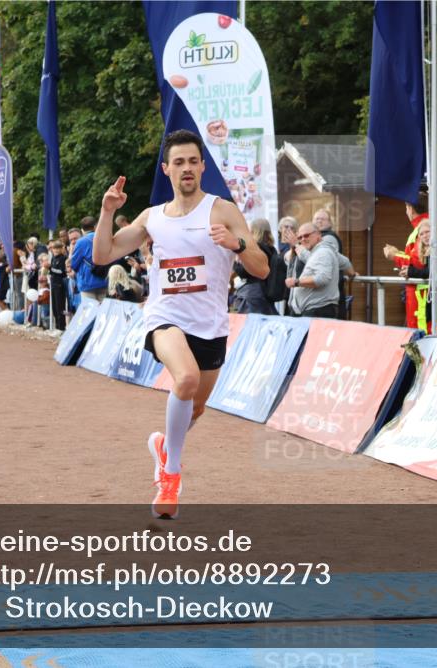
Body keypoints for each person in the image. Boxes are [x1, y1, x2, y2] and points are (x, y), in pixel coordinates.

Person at [91, 129, 268, 519]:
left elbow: (261, 267)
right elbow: (103, 254)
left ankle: (164, 447)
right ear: (166, 169)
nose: (187, 168)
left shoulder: (222, 210)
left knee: (196, 408)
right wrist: (107, 211)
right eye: (179, 162)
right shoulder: (152, 218)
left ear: (203, 166)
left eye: (193, 161)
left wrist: (236, 244)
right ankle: (170, 476)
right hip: (165, 319)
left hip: (211, 326)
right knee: (184, 380)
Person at [400, 219, 437, 333]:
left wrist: (411, 272)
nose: (424, 236)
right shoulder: (434, 247)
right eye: (421, 234)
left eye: (427, 232)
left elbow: (436, 271)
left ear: (436, 230)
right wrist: (409, 271)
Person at [383, 188, 430, 328]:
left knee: (421, 336)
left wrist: (394, 255)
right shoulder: (425, 226)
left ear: (409, 208)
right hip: (420, 292)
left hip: (420, 294)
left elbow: (418, 261)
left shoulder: (421, 229)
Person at [286, 223, 341, 318]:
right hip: (313, 310)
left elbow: (322, 279)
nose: (303, 239)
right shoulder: (317, 252)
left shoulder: (322, 252)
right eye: (300, 237)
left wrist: (296, 282)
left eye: (306, 235)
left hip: (319, 310)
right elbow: (345, 262)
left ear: (318, 235)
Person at [232, 218, 279, 315]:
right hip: (266, 293)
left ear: (253, 230)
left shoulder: (256, 248)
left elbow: (243, 272)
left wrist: (236, 262)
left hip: (253, 294)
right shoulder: (272, 249)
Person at [70, 217, 110, 302]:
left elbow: (74, 264)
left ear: (82, 229)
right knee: (103, 311)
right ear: (95, 226)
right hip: (104, 279)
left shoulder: (81, 242)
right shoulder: (105, 238)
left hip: (87, 282)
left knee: (90, 311)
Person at [48, 239, 68, 331]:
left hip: (60, 285)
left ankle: (61, 328)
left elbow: (61, 272)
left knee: (60, 307)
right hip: (53, 284)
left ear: (61, 249)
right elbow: (52, 271)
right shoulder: (53, 258)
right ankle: (57, 327)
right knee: (54, 307)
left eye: (58, 249)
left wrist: (50, 269)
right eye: (54, 249)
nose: (56, 250)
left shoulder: (63, 258)